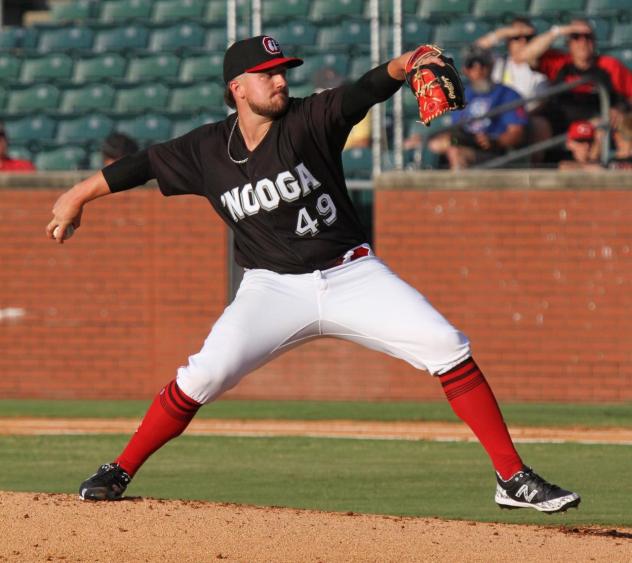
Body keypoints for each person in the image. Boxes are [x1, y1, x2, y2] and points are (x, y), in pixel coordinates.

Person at [47, 35, 580, 513]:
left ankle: (512, 477)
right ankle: (119, 469)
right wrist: (76, 194)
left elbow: (366, 89)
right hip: (270, 288)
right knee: (202, 375)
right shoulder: (207, 148)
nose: (281, 80)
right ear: (237, 87)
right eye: (268, 73)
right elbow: (141, 164)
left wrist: (409, 62)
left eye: (284, 70)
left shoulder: (310, 118)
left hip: (353, 274)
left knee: (446, 344)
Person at [513, 19, 632, 137]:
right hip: (559, 122)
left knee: (603, 129)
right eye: (576, 37)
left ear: (594, 42)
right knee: (536, 126)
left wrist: (621, 108)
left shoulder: (609, 65)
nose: (583, 42)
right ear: (568, 43)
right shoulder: (560, 62)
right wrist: (560, 31)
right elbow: (524, 56)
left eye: (588, 37)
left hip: (594, 124)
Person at [428, 46, 528, 169]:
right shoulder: (461, 95)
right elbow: (458, 130)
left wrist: (495, 142)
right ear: (465, 70)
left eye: (482, 64)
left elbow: (516, 133)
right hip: (467, 144)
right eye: (472, 65)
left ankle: (460, 187)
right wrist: (452, 139)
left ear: (491, 66)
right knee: (438, 144)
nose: (478, 69)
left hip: (495, 151)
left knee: (455, 152)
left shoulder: (509, 94)